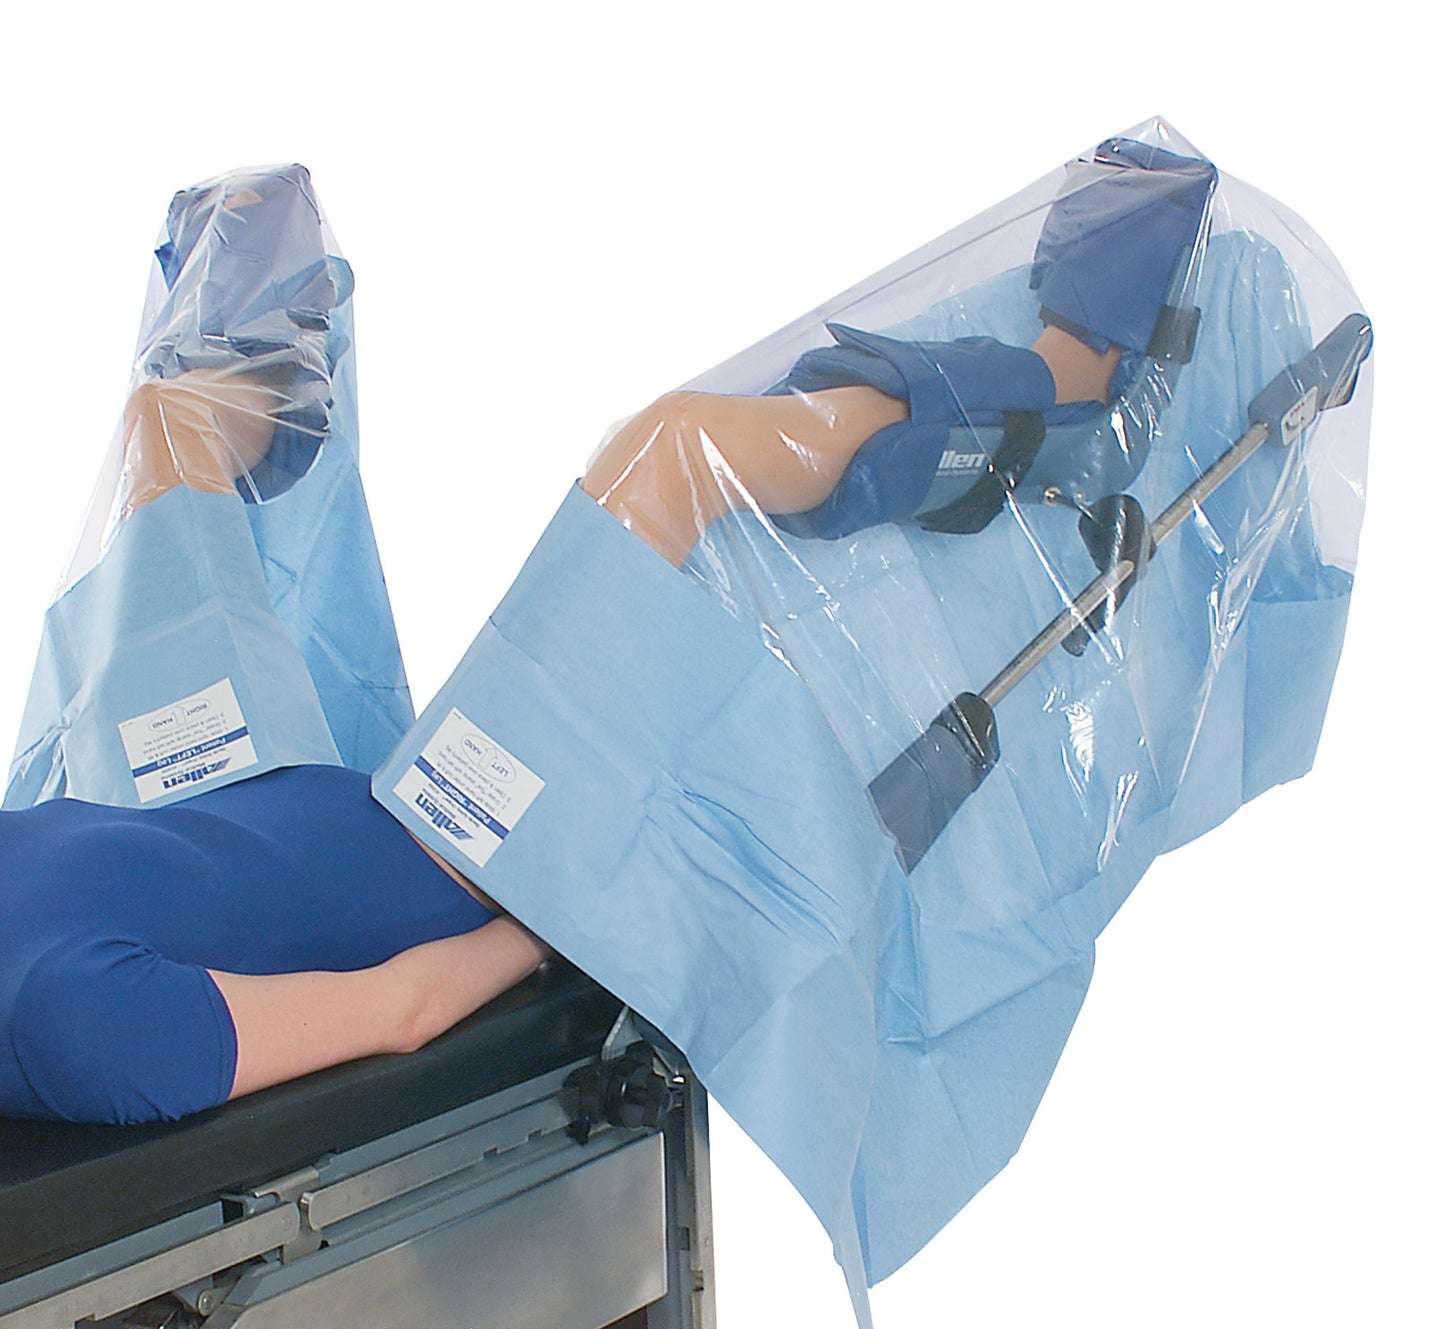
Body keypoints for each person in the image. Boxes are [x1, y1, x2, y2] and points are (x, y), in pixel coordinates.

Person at [0, 141, 1212, 1125]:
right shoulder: (80, 1029)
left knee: (170, 415)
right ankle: (1068, 396)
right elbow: (404, 1007)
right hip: (445, 840)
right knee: (670, 451)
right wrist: (559, 915)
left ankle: (273, 432)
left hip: (205, 785)